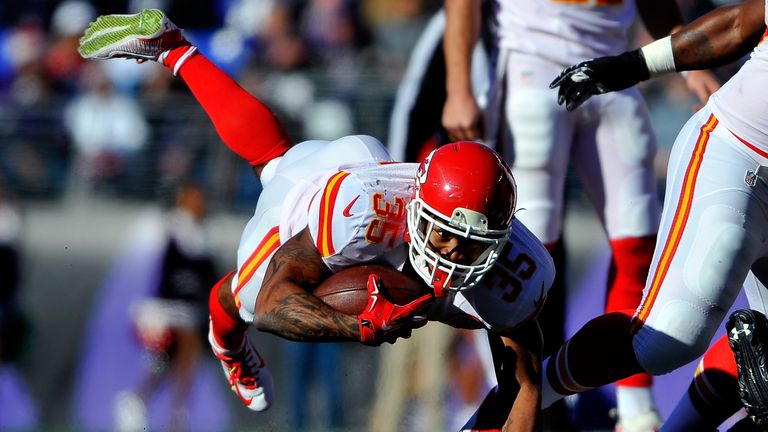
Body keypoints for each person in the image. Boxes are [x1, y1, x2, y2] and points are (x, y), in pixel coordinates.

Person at [77, 9, 556, 431]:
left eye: (472, 245)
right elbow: (272, 303)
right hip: (327, 194)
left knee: (272, 157)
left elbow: (525, 386)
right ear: (419, 209)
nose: (453, 255)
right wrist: (358, 327)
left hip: (365, 175)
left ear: (501, 238)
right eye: (445, 235)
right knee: (243, 296)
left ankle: (177, 51)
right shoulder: (364, 213)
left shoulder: (517, 269)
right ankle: (226, 343)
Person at [441, 0, 721, 430]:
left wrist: (688, 59)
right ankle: (522, 399)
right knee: (525, 257)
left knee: (640, 247)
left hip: (611, 66)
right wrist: (458, 85)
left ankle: (635, 410)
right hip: (531, 61)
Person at [543, 0, 768, 429]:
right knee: (666, 339)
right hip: (739, 156)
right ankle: (526, 392)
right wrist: (631, 66)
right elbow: (742, 23)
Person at [113, 182, 217, 431]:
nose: (200, 204)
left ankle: (139, 402)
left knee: (172, 362)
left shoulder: (201, 235)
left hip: (186, 313)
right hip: (159, 310)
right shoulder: (168, 228)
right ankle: (174, 413)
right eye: (195, 198)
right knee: (184, 350)